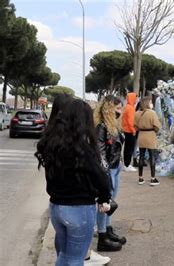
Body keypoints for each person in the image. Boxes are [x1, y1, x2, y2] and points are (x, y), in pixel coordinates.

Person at [35, 98, 112, 266]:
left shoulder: (51, 144)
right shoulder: (81, 148)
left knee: (64, 255)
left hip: (56, 207)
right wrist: (104, 198)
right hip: (79, 209)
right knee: (75, 259)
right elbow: (100, 177)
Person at [94, 95, 127, 252]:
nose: (120, 111)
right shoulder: (101, 127)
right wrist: (106, 175)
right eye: (118, 108)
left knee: (110, 203)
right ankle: (102, 237)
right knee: (105, 204)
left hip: (115, 169)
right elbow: (101, 154)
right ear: (109, 109)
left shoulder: (113, 126)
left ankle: (108, 229)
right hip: (108, 171)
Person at [135, 96, 161, 186]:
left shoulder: (137, 113)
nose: (152, 103)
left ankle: (140, 178)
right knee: (152, 156)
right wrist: (155, 130)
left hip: (141, 135)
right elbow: (157, 126)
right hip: (150, 135)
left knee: (141, 156)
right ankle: (153, 178)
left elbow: (135, 125)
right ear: (147, 103)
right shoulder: (152, 113)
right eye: (150, 102)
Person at [122, 92, 138, 172]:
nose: (136, 100)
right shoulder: (131, 108)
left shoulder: (126, 107)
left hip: (126, 130)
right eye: (135, 98)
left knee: (127, 148)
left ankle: (126, 164)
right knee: (130, 148)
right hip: (130, 130)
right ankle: (127, 165)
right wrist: (133, 130)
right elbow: (130, 121)